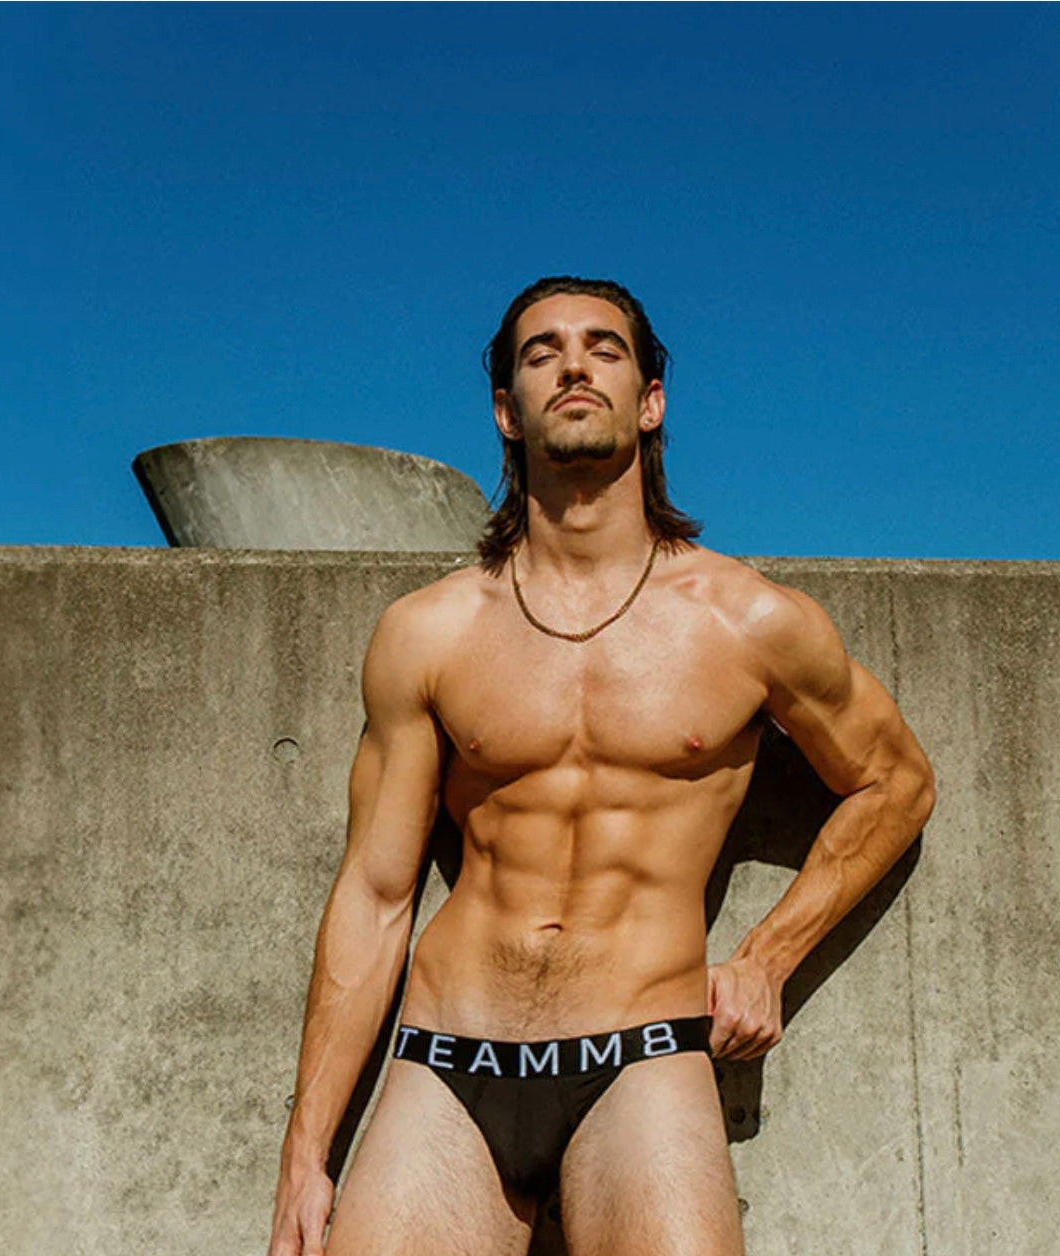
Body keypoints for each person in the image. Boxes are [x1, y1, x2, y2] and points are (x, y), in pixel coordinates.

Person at [267, 276, 935, 1256]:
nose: (573, 366)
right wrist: (305, 1153)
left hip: (641, 1058)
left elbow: (896, 782)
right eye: (541, 353)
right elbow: (375, 891)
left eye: (603, 348)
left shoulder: (747, 621)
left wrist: (767, 957)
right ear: (507, 410)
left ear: (650, 400)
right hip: (446, 1058)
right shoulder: (428, 632)